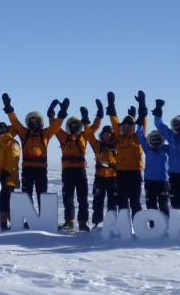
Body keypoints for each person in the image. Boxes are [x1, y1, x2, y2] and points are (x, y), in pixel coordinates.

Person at [2, 93, 62, 207]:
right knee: (26, 195)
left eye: (36, 122)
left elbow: (56, 127)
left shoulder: (45, 134)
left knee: (42, 194)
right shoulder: (24, 133)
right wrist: (9, 109)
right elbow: (15, 122)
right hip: (27, 169)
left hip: (41, 170)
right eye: (31, 122)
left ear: (40, 122)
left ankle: (43, 218)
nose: (34, 124)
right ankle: (28, 220)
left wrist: (61, 115)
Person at [54, 102, 99, 231]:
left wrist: (96, 116)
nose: (74, 126)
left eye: (76, 124)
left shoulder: (84, 135)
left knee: (82, 198)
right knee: (68, 198)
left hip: (80, 170)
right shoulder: (63, 136)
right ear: (68, 126)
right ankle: (69, 222)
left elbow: (94, 128)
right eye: (71, 124)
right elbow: (54, 127)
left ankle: (83, 223)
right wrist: (60, 114)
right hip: (67, 171)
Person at [83, 97, 117, 230]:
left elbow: (118, 127)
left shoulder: (117, 145)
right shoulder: (97, 145)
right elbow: (89, 134)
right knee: (97, 202)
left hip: (113, 178)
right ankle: (97, 224)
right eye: (104, 134)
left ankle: (112, 225)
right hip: (100, 178)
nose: (106, 136)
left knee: (113, 203)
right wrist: (91, 118)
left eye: (109, 134)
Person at [114, 92, 145, 214]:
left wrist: (142, 105)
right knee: (121, 201)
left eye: (129, 125)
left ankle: (138, 225)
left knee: (135, 202)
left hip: (135, 173)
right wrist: (112, 108)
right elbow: (114, 122)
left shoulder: (137, 137)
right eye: (124, 125)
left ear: (132, 126)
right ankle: (124, 227)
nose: (126, 127)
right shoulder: (120, 137)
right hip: (121, 173)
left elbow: (143, 124)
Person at [0, 121, 21, 230]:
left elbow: (13, 158)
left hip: (7, 178)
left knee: (6, 201)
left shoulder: (12, 142)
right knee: (0, 202)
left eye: (1, 129)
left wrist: (5, 173)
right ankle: (3, 223)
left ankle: (10, 223)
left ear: (6, 129)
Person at [138, 116, 170, 216]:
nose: (155, 142)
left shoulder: (167, 149)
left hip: (163, 182)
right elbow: (140, 136)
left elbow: (170, 137)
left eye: (158, 139)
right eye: (153, 139)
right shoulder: (148, 149)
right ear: (150, 140)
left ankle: (167, 227)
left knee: (163, 205)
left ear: (162, 140)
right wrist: (139, 124)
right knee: (151, 205)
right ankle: (153, 228)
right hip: (149, 182)